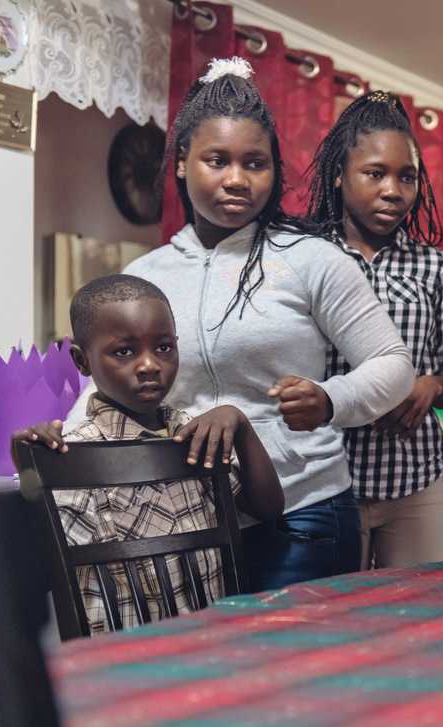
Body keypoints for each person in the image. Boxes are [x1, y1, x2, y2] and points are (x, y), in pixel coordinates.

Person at [68, 58, 415, 591]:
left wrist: (329, 398)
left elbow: (394, 365)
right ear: (183, 163)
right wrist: (60, 440)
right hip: (186, 519)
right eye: (217, 160)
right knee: (210, 672)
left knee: (301, 669)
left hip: (303, 512)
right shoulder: (144, 275)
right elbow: (103, 380)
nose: (237, 179)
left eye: (255, 163)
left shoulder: (310, 259)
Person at [13, 275, 283, 632]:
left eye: (164, 347)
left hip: (217, 641)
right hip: (124, 658)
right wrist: (30, 463)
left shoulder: (195, 434)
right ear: (82, 361)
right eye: (124, 351)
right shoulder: (72, 455)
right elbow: (33, 566)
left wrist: (242, 425)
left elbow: (267, 508)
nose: (150, 365)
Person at [306, 91, 443, 569]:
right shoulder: (304, 257)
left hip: (413, 482)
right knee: (335, 627)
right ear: (339, 174)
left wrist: (431, 385)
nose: (393, 191)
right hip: (326, 482)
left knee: (421, 621)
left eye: (407, 177)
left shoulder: (435, 269)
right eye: (375, 174)